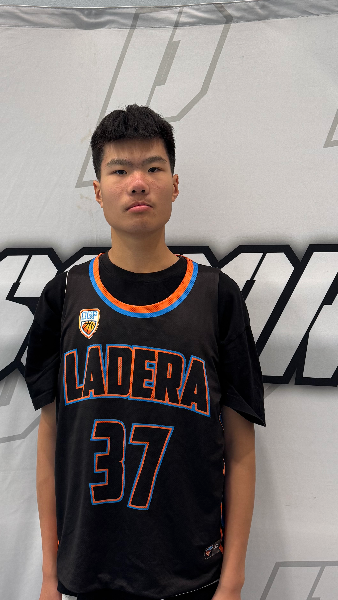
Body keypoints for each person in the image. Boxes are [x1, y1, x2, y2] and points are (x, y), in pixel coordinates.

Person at [25, 104, 265, 600]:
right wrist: (49, 575)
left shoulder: (217, 297)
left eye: (153, 168)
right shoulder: (65, 294)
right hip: (89, 570)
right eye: (120, 170)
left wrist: (233, 581)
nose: (138, 183)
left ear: (174, 185)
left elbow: (241, 447)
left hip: (191, 575)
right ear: (98, 191)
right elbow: (51, 438)